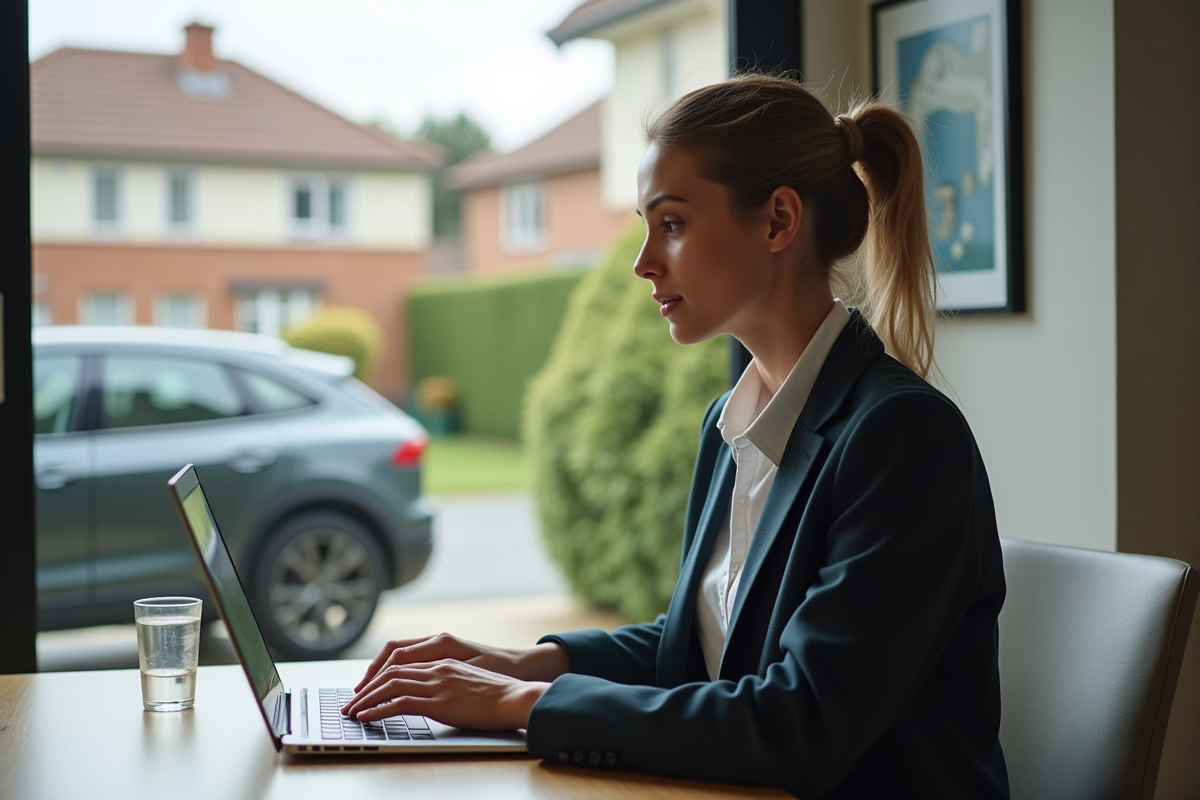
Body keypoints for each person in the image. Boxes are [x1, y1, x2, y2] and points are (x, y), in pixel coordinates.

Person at [342, 75, 1009, 800]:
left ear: (779, 221)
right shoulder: (731, 422)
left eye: (673, 224)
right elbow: (698, 648)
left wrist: (519, 705)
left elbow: (801, 722)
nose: (642, 262)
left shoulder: (903, 438)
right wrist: (518, 664)